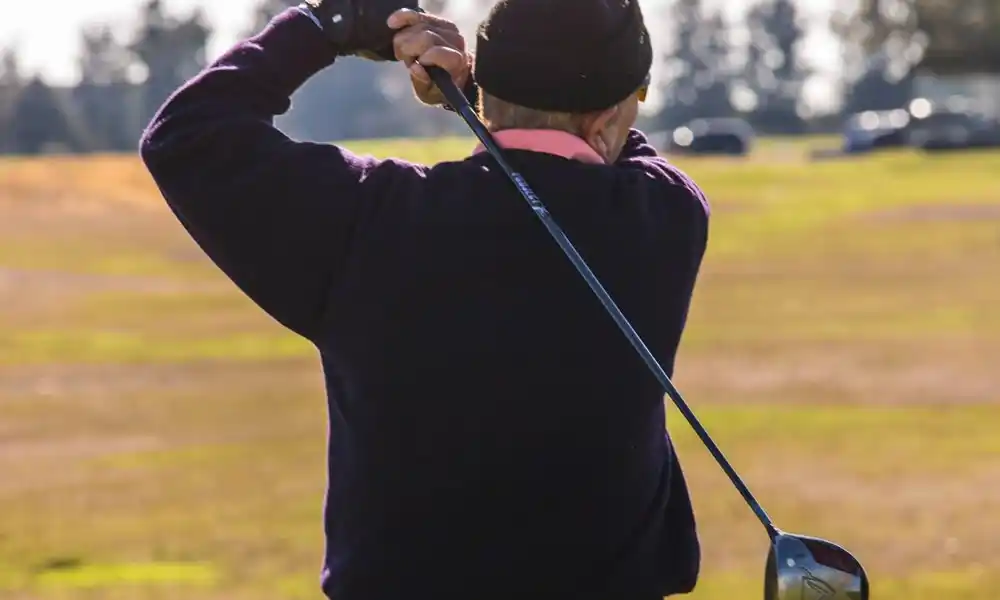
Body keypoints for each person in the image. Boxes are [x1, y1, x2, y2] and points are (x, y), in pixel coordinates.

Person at [139, 0, 710, 598]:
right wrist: (486, 105)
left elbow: (188, 135)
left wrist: (326, 25)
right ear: (609, 118)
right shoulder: (667, 216)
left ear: (487, 88)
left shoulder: (373, 219)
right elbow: (611, 153)